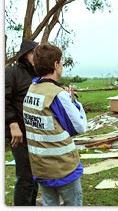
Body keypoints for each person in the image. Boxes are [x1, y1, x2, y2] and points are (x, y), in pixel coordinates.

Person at [23, 44, 87, 206]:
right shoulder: (58, 95)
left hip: (40, 166)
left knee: (49, 203)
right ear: (56, 65)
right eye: (62, 63)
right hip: (62, 167)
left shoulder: (32, 89)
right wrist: (75, 103)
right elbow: (79, 127)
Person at [5, 39, 39, 205]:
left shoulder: (38, 74)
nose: (37, 56)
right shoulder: (12, 73)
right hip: (18, 133)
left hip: (36, 133)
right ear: (25, 55)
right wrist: (12, 124)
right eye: (34, 53)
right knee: (25, 177)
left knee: (36, 176)